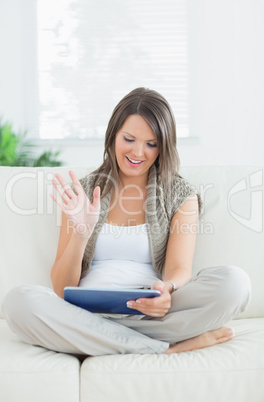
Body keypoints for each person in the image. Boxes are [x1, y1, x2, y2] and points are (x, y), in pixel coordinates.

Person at [2, 87, 251, 356]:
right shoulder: (82, 193)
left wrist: (166, 290)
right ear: (113, 136)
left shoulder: (181, 195)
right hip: (85, 315)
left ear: (163, 147)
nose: (138, 152)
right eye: (129, 139)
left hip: (153, 316)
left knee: (235, 283)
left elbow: (179, 267)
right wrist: (81, 233)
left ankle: (104, 342)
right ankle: (164, 349)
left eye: (151, 144)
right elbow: (61, 290)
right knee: (19, 302)